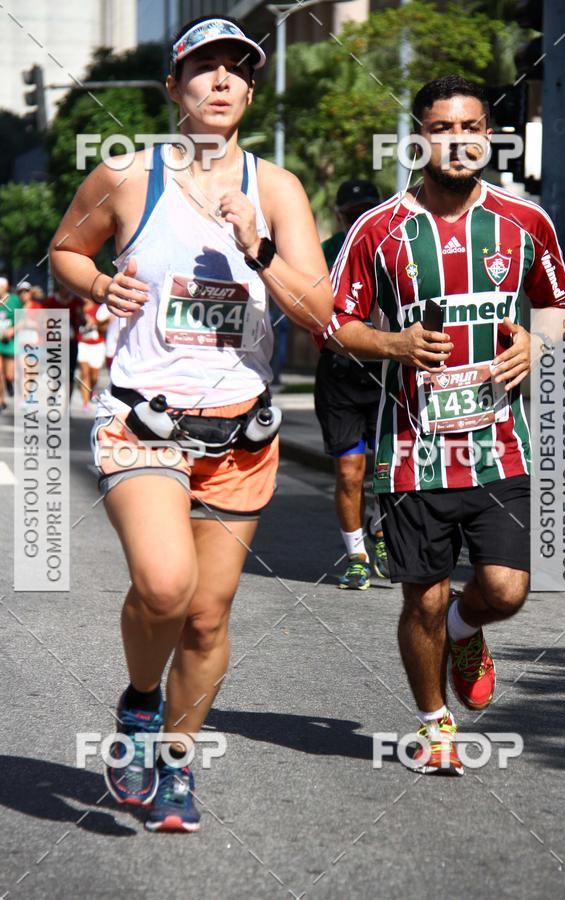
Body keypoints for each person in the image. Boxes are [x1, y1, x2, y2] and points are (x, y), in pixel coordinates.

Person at [50, 15, 332, 831]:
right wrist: (101, 287)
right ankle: (140, 707)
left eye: (235, 70)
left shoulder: (276, 190)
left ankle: (176, 761)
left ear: (250, 90)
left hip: (240, 436)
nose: (219, 82)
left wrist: (260, 249)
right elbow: (67, 249)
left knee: (208, 617)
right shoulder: (127, 176)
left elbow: (320, 314)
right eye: (202, 68)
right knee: (166, 587)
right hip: (144, 421)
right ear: (173, 88)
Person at [322, 75, 565, 774]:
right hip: (413, 449)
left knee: (505, 588)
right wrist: (396, 344)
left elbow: (559, 306)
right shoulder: (379, 230)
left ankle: (469, 631)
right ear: (418, 139)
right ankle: (436, 725)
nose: (459, 140)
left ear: (488, 137)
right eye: (442, 128)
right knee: (423, 597)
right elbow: (337, 325)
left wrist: (539, 342)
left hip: (501, 444)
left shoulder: (527, 223)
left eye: (471, 127)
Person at [315, 180, 389, 590]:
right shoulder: (325, 253)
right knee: (348, 471)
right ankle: (356, 554)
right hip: (341, 372)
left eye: (368, 209)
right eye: (353, 212)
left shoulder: (395, 243)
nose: (360, 217)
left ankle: (379, 530)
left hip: (387, 372)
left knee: (385, 469)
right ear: (341, 216)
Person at [76, 298, 107, 412]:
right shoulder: (78, 308)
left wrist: (95, 322)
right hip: (83, 344)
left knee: (94, 377)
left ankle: (89, 390)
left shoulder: (99, 310)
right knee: (85, 374)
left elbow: (105, 327)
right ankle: (85, 403)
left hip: (97, 345)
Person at [0, 277, 24, 411]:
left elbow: (22, 319)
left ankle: (10, 383)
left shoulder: (14, 300)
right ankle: (1, 400)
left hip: (10, 341)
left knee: (9, 374)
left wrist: (12, 330)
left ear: (6, 287)